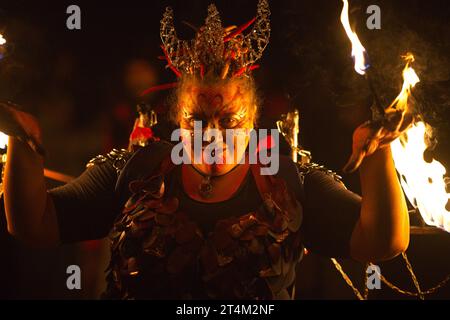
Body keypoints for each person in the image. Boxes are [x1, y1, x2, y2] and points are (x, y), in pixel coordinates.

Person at [1, 0, 410, 299]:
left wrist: (377, 154)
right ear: (178, 118)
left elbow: (381, 242)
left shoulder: (290, 179)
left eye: (228, 121)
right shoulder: (134, 170)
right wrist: (24, 139)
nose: (212, 135)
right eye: (197, 121)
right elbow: (35, 225)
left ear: (251, 120)